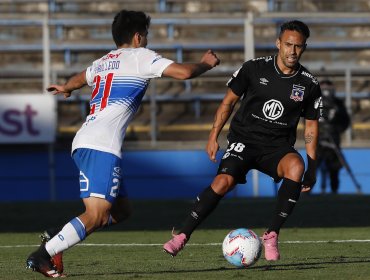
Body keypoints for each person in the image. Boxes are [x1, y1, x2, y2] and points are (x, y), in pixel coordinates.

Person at [26, 9, 220, 278]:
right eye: (147, 35)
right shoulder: (140, 57)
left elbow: (83, 76)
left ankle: (57, 237)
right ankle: (42, 255)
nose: (148, 40)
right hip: (100, 145)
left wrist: (67, 87)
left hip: (88, 140)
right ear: (139, 37)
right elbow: (184, 73)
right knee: (96, 215)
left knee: (121, 211)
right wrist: (206, 64)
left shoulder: (104, 61)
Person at [163, 20, 322, 261]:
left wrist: (312, 166)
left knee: (296, 166)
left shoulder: (309, 84)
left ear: (304, 48)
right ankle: (181, 236)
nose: (292, 51)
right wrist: (213, 136)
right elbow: (228, 102)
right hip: (244, 140)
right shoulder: (254, 69)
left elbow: (311, 127)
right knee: (223, 181)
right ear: (278, 43)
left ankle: (271, 235)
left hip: (277, 148)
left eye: (298, 46)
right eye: (288, 44)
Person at [317, 79, 350, 194]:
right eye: (323, 87)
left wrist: (334, 129)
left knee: (334, 169)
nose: (326, 90)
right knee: (312, 167)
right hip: (317, 141)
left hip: (334, 140)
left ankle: (334, 191)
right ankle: (306, 192)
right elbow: (306, 121)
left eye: (328, 87)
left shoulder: (338, 104)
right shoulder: (314, 102)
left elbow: (345, 121)